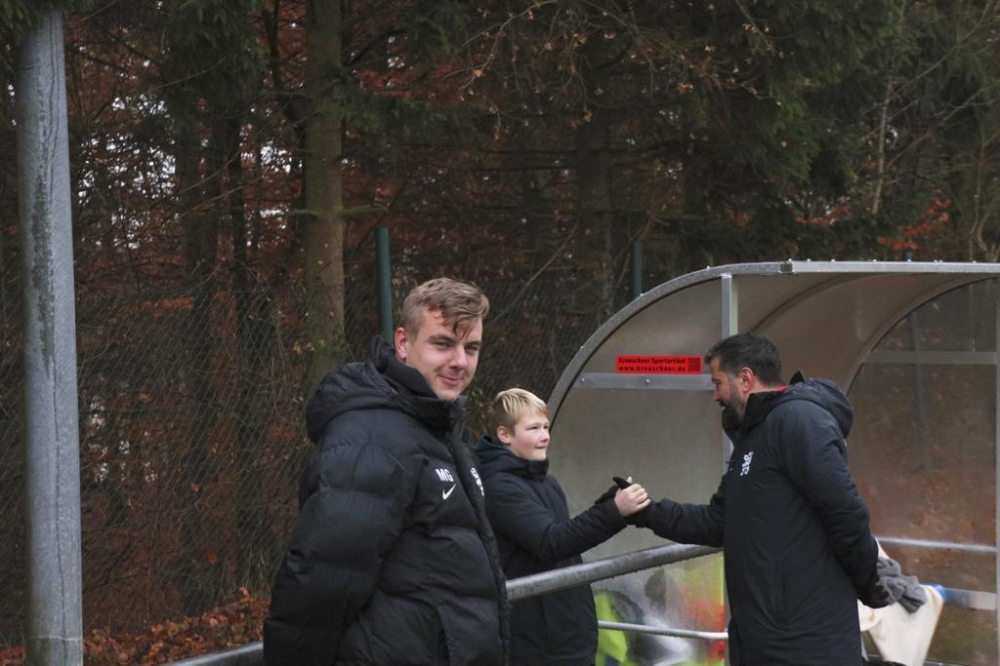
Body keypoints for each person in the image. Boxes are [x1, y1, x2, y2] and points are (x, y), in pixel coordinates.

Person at [263, 278, 508, 666]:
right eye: (443, 343)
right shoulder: (372, 438)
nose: (460, 361)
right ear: (403, 343)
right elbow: (322, 581)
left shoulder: (435, 426)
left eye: (471, 348)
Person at [628, 332, 889, 666]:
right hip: (763, 638)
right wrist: (645, 511)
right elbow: (718, 522)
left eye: (718, 383)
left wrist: (867, 582)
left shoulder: (798, 420)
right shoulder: (754, 436)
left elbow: (845, 511)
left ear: (746, 379)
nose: (715, 395)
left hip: (805, 641)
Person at [474, 388, 650, 666]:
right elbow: (551, 543)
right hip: (538, 642)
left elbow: (566, 538)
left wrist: (611, 503)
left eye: (545, 426)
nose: (545, 435)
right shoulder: (498, 488)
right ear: (505, 435)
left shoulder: (546, 481)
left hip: (568, 630)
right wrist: (614, 510)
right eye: (533, 428)